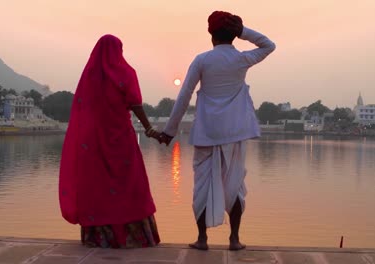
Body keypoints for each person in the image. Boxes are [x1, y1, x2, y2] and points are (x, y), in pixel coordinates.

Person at [158, 11, 276, 250]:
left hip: (207, 132)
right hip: (235, 133)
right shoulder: (242, 59)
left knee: (202, 186)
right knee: (235, 185)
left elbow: (185, 95)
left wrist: (169, 131)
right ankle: (234, 239)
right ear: (234, 34)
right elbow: (268, 45)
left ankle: (202, 240)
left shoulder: (202, 60)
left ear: (210, 33)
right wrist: (244, 32)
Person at [59, 34, 161, 248]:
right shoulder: (126, 72)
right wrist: (149, 128)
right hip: (121, 140)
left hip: (94, 142)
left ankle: (99, 237)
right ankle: (133, 237)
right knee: (129, 186)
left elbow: (82, 108)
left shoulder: (89, 76)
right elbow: (135, 104)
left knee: (97, 187)